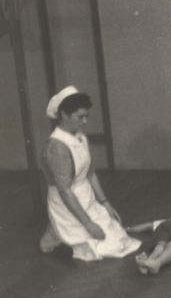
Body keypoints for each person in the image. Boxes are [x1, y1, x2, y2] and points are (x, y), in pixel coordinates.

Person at [38, 86, 141, 261]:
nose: (85, 121)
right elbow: (64, 190)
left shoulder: (80, 136)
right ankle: (54, 232)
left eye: (86, 116)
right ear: (64, 114)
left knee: (121, 238)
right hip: (66, 202)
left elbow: (90, 173)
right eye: (80, 117)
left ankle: (57, 231)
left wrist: (105, 203)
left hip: (86, 197)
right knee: (108, 246)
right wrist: (88, 224)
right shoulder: (57, 147)